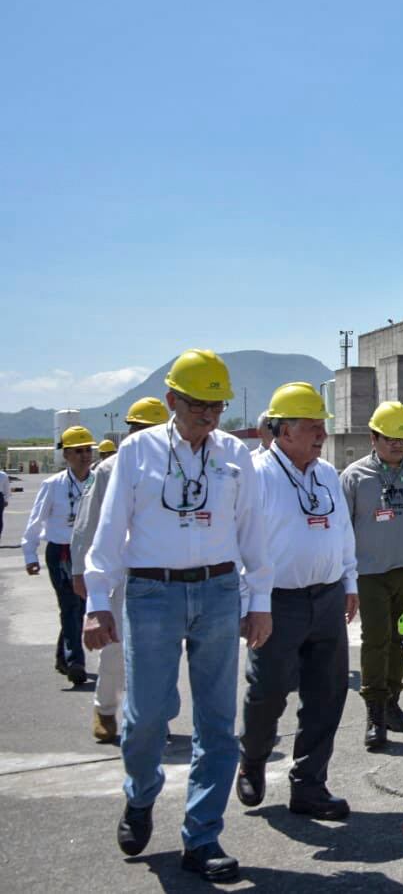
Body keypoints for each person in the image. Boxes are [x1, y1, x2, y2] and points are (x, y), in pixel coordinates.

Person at [83, 349, 274, 882]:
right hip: (152, 593)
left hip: (216, 591)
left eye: (217, 406)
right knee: (146, 716)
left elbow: (253, 533)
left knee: (217, 722)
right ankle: (140, 794)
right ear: (171, 400)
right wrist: (99, 602)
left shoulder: (234, 454)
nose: (209, 416)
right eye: (198, 406)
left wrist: (259, 602)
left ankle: (203, 835)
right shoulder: (138, 451)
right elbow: (110, 531)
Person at [236, 383, 357, 822]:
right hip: (277, 603)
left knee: (327, 695)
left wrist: (350, 580)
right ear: (284, 430)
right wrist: (253, 604)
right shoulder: (256, 475)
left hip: (326, 599)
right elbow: (242, 546)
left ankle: (309, 785)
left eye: (322, 425)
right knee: (268, 692)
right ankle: (252, 758)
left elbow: (341, 528)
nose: (321, 433)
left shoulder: (326, 473)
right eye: (312, 426)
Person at [340, 401, 403, 752]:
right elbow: (341, 530)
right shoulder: (354, 476)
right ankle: (374, 711)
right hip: (369, 572)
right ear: (373, 437)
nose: (398, 445)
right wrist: (345, 577)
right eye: (390, 439)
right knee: (376, 639)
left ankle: (392, 703)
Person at [71, 397, 171, 744]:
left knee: (161, 652)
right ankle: (105, 709)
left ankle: (154, 715)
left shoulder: (173, 465)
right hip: (120, 575)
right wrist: (80, 570)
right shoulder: (108, 470)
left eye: (153, 430)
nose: (145, 436)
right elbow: (88, 524)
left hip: (162, 575)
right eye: (140, 429)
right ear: (130, 430)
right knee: (115, 649)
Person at [24, 424, 97, 687]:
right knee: (70, 604)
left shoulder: (99, 481)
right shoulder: (52, 485)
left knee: (79, 608)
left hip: (89, 551)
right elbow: (35, 521)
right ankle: (76, 661)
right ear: (66, 454)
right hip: (61, 551)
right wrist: (29, 553)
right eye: (78, 451)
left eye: (88, 450)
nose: (85, 455)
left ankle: (62, 657)